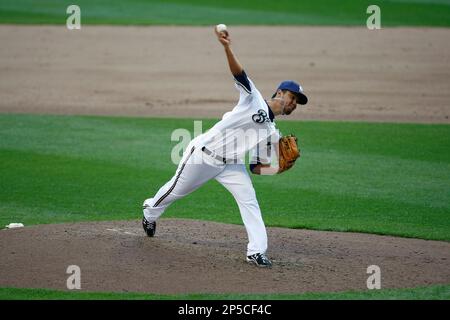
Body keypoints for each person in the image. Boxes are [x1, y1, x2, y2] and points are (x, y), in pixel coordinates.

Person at [142, 26, 308, 268]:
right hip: (203, 155)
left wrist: (277, 169)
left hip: (232, 165)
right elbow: (239, 73)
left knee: (249, 201)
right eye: (291, 97)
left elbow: (255, 167)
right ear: (280, 92)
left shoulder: (273, 133)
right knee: (174, 191)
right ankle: (149, 212)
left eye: (296, 102)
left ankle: (256, 251)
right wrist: (227, 47)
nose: (293, 104)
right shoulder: (254, 98)